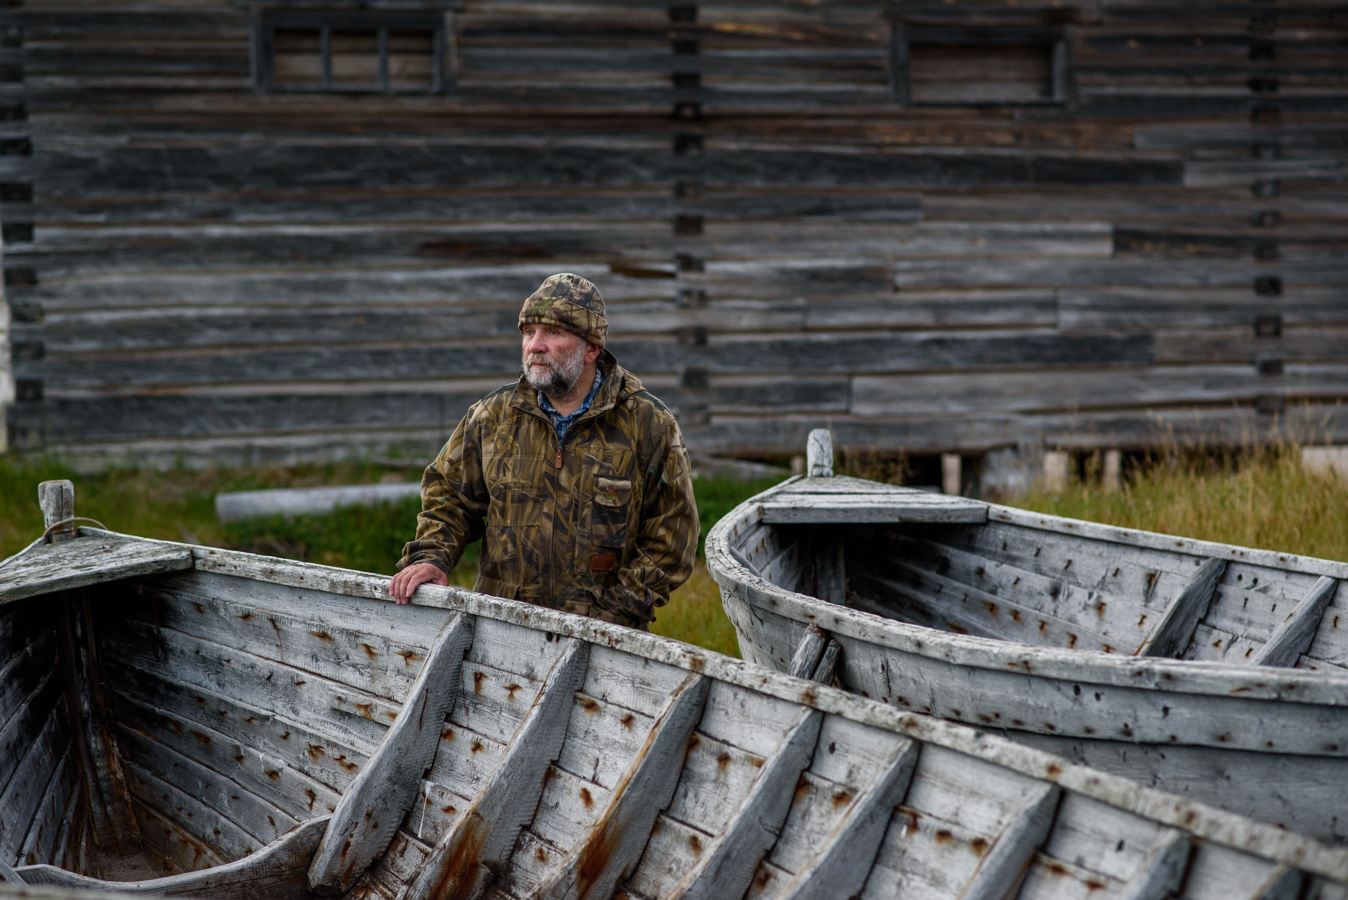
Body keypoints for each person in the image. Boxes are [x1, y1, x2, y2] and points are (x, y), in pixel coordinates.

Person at [388, 273, 698, 630]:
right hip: (500, 630)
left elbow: (672, 537)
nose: (535, 345)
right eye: (528, 332)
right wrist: (432, 557)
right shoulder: (493, 417)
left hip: (607, 641)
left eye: (553, 332)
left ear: (591, 348)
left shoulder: (647, 424)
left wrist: (614, 615)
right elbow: (450, 496)